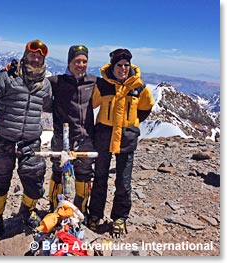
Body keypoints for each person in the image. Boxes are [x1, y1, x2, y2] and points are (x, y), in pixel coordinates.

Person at [0, 39, 52, 244]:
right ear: (25, 55)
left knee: (34, 182)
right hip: (5, 141)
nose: (36, 57)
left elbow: (52, 107)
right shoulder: (7, 78)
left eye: (41, 55)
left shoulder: (45, 84)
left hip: (31, 142)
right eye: (33, 53)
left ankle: (27, 211)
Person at [87, 48, 155, 237]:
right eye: (119, 65)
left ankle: (119, 217)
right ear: (112, 65)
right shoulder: (102, 85)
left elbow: (146, 107)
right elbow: (92, 104)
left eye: (126, 65)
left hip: (126, 138)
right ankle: (94, 215)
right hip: (104, 136)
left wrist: (131, 124)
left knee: (123, 182)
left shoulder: (139, 87)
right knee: (100, 178)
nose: (123, 68)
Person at [47, 45, 97, 218]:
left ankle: (80, 210)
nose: (81, 65)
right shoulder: (55, 82)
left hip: (85, 137)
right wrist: (12, 70)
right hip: (62, 136)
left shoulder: (93, 82)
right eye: (77, 61)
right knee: (58, 171)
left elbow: (116, 83)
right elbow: (33, 82)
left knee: (84, 174)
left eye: (84, 61)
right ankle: (55, 210)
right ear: (69, 62)